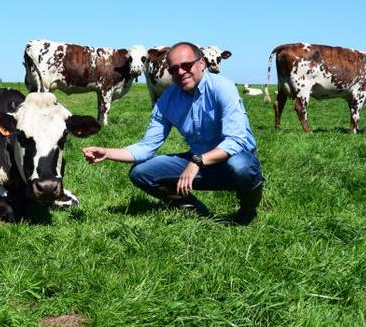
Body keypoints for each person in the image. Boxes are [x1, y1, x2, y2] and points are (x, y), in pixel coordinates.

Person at [82, 41, 264, 224]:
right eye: (174, 69)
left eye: (186, 65)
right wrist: (107, 153)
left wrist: (197, 161)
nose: (180, 72)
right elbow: (146, 147)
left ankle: (247, 212)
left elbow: (236, 140)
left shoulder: (222, 87)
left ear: (202, 63)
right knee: (140, 172)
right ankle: (195, 210)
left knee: (242, 167)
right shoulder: (168, 99)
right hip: (201, 163)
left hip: (232, 158)